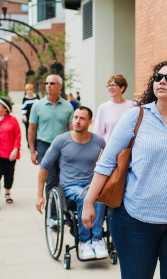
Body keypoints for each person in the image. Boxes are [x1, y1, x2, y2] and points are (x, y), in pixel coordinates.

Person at [82, 61, 167, 279]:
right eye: (158, 77)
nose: (162, 81)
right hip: (134, 220)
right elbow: (107, 161)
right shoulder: (135, 116)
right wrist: (89, 200)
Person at [36, 106, 107, 260]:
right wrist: (40, 195)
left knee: (98, 196)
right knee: (86, 196)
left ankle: (96, 240)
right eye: (75, 117)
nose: (77, 121)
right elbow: (44, 166)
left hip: (92, 185)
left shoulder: (99, 141)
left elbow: (108, 165)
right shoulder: (61, 140)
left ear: (89, 121)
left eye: (82, 118)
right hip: (69, 187)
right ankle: (84, 242)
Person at [28, 74, 74, 197]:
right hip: (44, 145)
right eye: (46, 83)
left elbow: (72, 130)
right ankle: (52, 213)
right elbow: (31, 129)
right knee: (51, 178)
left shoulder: (68, 107)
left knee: (63, 178)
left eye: (52, 83)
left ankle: (62, 209)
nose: (48, 86)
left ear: (60, 86)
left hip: (63, 146)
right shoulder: (37, 106)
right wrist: (33, 151)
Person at [93, 75, 134, 142]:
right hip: (109, 148)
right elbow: (97, 133)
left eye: (113, 85)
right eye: (109, 85)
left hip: (128, 149)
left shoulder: (132, 105)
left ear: (122, 88)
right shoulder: (103, 107)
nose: (110, 88)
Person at [21, 83, 40, 148]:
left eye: (30, 89)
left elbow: (40, 106)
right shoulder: (25, 99)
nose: (29, 91)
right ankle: (30, 144)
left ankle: (36, 143)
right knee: (28, 130)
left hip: (36, 116)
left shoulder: (36, 97)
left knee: (37, 130)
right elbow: (23, 108)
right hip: (28, 116)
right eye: (27, 90)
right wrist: (23, 115)